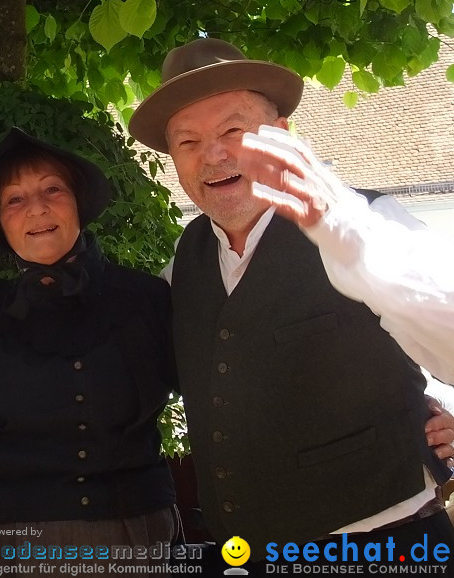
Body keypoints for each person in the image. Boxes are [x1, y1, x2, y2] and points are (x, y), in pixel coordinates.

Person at [128, 37, 454, 554]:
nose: (212, 155)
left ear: (280, 136)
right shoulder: (185, 261)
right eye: (187, 143)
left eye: (232, 130)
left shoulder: (368, 220)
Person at [0, 128, 179, 576]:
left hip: (132, 538)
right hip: (4, 545)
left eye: (52, 188)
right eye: (14, 199)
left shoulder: (148, 299)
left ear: (78, 202)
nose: (37, 208)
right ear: (0, 222)